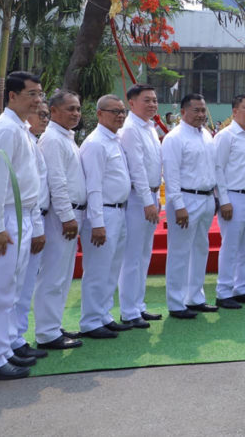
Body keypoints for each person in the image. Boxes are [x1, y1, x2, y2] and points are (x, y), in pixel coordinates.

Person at [0, 72, 45, 380]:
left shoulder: (21, 128)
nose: (38, 100)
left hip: (22, 214)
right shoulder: (5, 129)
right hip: (4, 215)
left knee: (12, 289)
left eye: (39, 94)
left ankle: (4, 349)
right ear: (12, 96)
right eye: (31, 94)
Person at [31, 90, 86, 351]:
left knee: (62, 276)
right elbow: (57, 182)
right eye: (70, 109)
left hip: (71, 213)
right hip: (61, 215)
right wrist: (67, 217)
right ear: (53, 111)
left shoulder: (65, 137)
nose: (75, 113)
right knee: (53, 275)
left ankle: (53, 325)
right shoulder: (53, 139)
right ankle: (46, 332)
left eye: (77, 109)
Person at [78, 94, 133, 338]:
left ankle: (103, 314)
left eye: (122, 111)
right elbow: (94, 186)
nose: (120, 116)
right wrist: (97, 223)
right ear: (100, 114)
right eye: (114, 111)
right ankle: (90, 321)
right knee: (98, 269)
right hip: (104, 214)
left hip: (119, 210)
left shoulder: (115, 140)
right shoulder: (96, 143)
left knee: (112, 268)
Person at [162, 93, 220, 318]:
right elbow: (171, 175)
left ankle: (195, 297)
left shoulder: (206, 135)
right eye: (196, 110)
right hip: (185, 199)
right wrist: (178, 205)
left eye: (203, 110)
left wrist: (214, 197)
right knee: (179, 252)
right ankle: (176, 303)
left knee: (200, 250)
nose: (201, 115)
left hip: (205, 199)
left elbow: (211, 168)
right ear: (183, 112)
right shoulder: (174, 138)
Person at [213, 94, 245, 308]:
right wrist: (223, 200)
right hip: (234, 197)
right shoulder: (226, 136)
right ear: (235, 111)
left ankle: (241, 288)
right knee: (230, 246)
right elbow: (217, 168)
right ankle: (223, 292)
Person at [117, 84, 163, 328]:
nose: (152, 104)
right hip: (138, 199)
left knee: (144, 255)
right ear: (132, 103)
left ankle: (138, 305)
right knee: (132, 257)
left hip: (151, 196)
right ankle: (128, 310)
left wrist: (156, 200)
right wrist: (147, 202)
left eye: (154, 100)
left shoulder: (150, 128)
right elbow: (137, 169)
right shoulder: (131, 129)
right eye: (147, 100)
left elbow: (155, 166)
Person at [9, 103, 49, 359]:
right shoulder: (13, 134)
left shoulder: (33, 141)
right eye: (41, 114)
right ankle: (9, 341)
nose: (43, 118)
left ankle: (18, 337)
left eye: (46, 114)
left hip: (35, 216)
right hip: (20, 214)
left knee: (24, 286)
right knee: (13, 287)